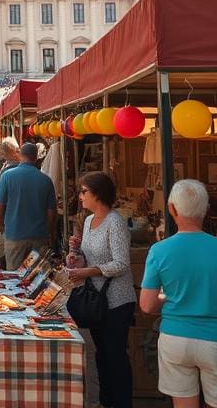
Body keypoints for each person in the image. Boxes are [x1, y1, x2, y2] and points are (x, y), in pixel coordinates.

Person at [139, 179, 217, 408]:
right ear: (206, 209)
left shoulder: (159, 251)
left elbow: (147, 305)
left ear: (171, 209)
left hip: (175, 340)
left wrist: (169, 297)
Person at [65, 172, 137, 408]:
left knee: (115, 355)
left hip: (116, 301)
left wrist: (88, 272)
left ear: (98, 193)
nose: (80, 196)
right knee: (101, 355)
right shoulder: (88, 220)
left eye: (84, 191)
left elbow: (121, 264)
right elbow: (88, 256)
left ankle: (121, 402)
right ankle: (106, 401)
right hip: (97, 300)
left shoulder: (115, 222)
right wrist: (77, 260)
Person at [0, 141, 56, 270]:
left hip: (15, 235)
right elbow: (51, 211)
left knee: (14, 276)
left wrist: (1, 225)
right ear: (36, 157)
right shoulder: (45, 180)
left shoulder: (8, 176)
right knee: (36, 276)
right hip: (38, 236)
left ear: (20, 154)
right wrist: (49, 232)